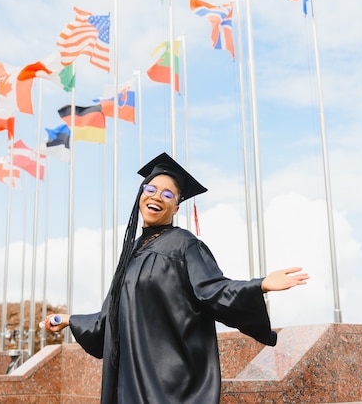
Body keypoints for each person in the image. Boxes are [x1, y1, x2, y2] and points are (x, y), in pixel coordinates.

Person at [42, 152, 309, 404]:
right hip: (131, 380)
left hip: (167, 380)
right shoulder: (132, 251)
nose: (157, 196)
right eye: (151, 189)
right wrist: (68, 320)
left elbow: (212, 290)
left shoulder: (184, 245)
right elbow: (111, 317)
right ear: (140, 196)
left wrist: (260, 285)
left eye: (167, 194)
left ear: (176, 207)